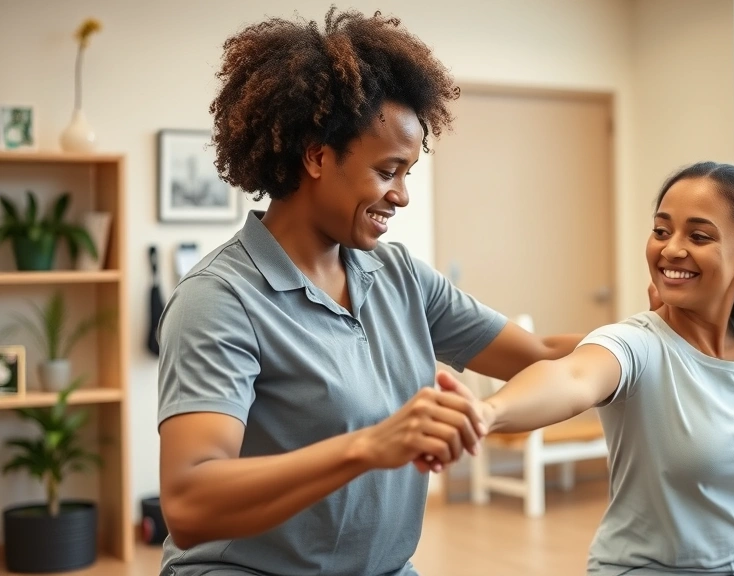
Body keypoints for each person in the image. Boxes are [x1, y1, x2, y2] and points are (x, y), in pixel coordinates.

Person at [156, 8, 582, 576]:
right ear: (315, 156)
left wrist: (662, 329)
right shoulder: (220, 299)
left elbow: (545, 357)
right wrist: (367, 446)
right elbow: (189, 501)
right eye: (388, 172)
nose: (402, 196)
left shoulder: (399, 276)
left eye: (408, 172)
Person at [468, 162, 734, 576]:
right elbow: (572, 378)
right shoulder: (636, 343)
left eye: (699, 235)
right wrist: (488, 412)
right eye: (661, 230)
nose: (671, 248)